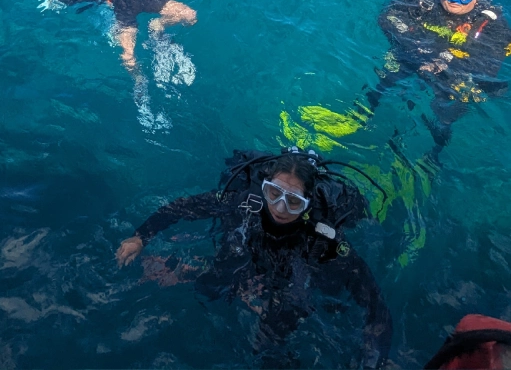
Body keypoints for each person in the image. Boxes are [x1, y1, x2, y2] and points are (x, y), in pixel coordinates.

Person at [116, 149, 392, 368]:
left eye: (294, 202)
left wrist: (373, 354)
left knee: (275, 332)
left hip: (292, 261)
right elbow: (184, 208)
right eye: (274, 193)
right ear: (266, 188)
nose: (280, 208)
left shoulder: (322, 236)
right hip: (252, 253)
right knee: (211, 286)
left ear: (308, 204)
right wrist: (140, 237)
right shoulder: (245, 202)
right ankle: (204, 275)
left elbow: (374, 304)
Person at [366, 0, 511, 157]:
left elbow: (489, 64)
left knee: (446, 112)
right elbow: (387, 16)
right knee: (384, 79)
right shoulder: (425, 1)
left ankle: (433, 155)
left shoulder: (491, 24)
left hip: (452, 71)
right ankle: (359, 115)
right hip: (416, 55)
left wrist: (446, 62)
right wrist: (418, 49)